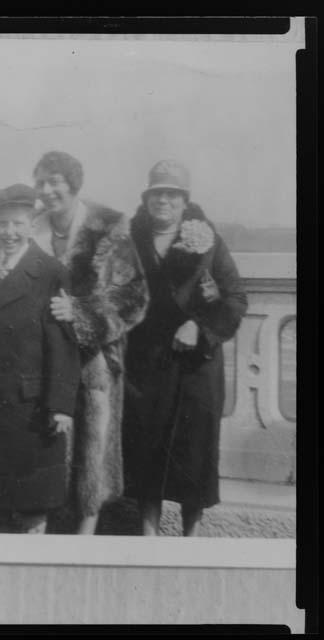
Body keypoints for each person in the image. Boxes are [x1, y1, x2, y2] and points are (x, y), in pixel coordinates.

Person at [123, 160, 248, 536]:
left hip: (196, 368)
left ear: (184, 200)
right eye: (157, 193)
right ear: (145, 200)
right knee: (146, 455)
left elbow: (236, 300)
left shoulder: (206, 239)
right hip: (146, 366)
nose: (164, 201)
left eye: (172, 194)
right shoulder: (129, 241)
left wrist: (200, 325)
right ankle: (148, 540)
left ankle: (189, 541)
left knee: (193, 457)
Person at [32, 151, 149, 535]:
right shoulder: (31, 229)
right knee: (48, 447)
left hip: (94, 360)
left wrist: (80, 312)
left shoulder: (108, 228)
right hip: (44, 358)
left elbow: (133, 296)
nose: (47, 191)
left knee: (91, 451)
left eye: (55, 182)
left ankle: (85, 540)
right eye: (41, 183)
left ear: (72, 183)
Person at [0, 183, 80, 534]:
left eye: (18, 223)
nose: (10, 233)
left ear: (32, 224)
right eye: (2, 225)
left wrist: (61, 404)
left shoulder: (50, 272)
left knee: (34, 506)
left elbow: (64, 344)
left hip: (33, 407)